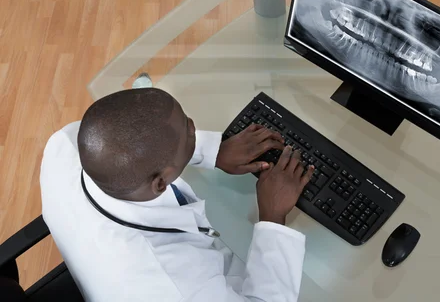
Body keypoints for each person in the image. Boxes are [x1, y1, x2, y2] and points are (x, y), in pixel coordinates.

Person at [40, 88, 314, 302]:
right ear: (159, 184)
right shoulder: (178, 287)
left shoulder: (66, 143)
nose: (194, 125)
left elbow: (138, 145)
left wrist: (211, 150)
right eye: (189, 132)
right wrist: (272, 216)